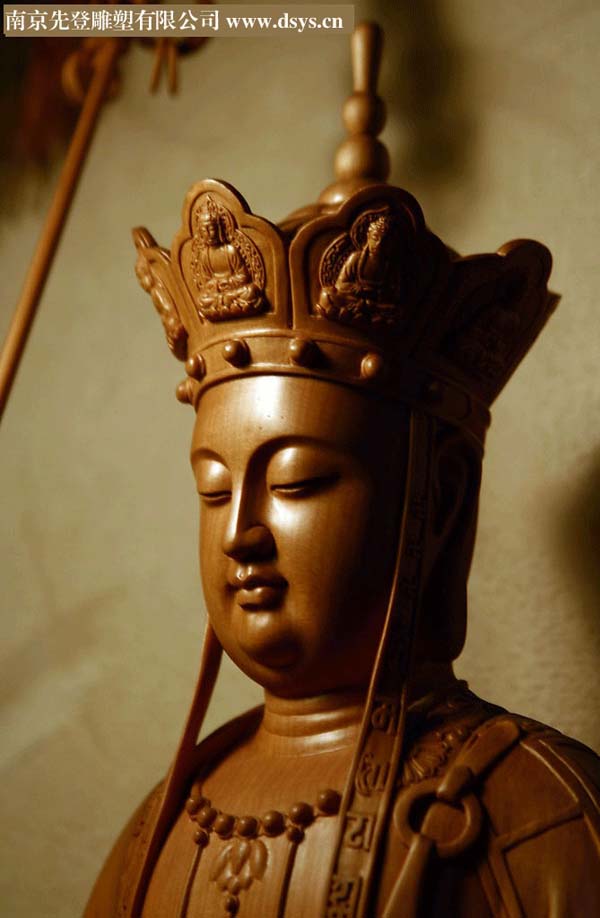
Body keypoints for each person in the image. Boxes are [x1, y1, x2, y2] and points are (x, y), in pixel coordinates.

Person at [85, 23, 600, 918]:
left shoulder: (540, 817)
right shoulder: (160, 829)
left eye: (295, 483)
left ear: (439, 498)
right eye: (213, 488)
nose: (240, 533)